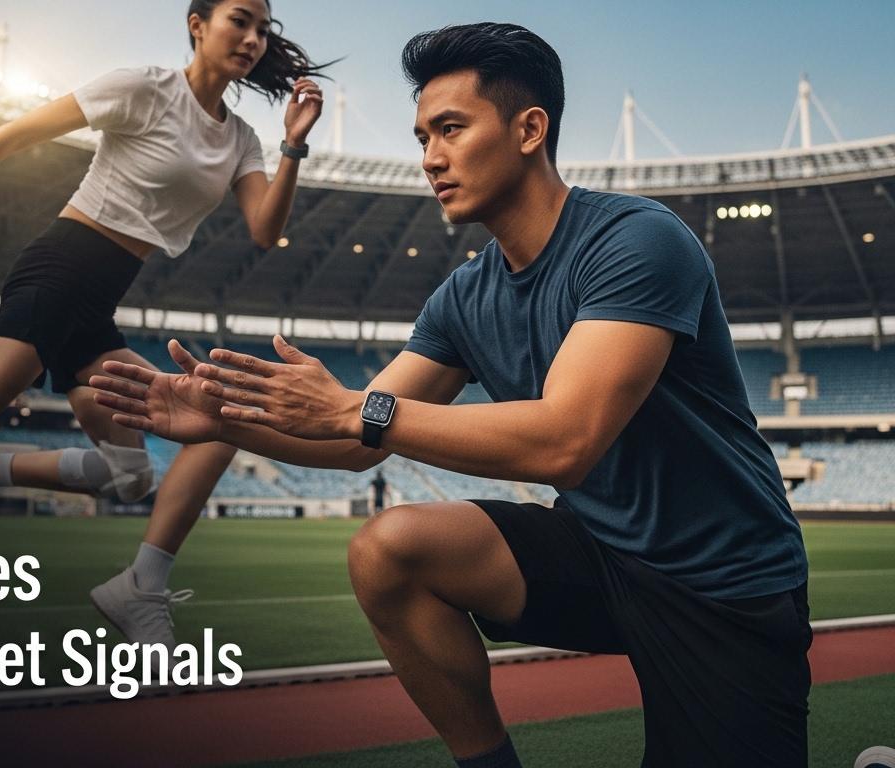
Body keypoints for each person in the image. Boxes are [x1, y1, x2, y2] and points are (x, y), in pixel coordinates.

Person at [89, 22, 810, 767]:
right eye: (423, 136)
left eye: (452, 129)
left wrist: (353, 407)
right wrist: (225, 421)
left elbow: (565, 442)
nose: (430, 157)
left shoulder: (636, 240)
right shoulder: (465, 297)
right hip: (601, 555)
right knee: (390, 550)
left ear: (529, 130)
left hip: (723, 581)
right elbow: (355, 441)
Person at [0, 0, 328, 647]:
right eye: (240, 19)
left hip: (97, 305)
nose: (254, 38)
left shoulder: (242, 140)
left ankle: (23, 502)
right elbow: (20, 131)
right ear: (197, 24)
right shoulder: (144, 88)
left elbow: (264, 230)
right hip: (59, 273)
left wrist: (294, 144)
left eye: (263, 28)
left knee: (169, 452)